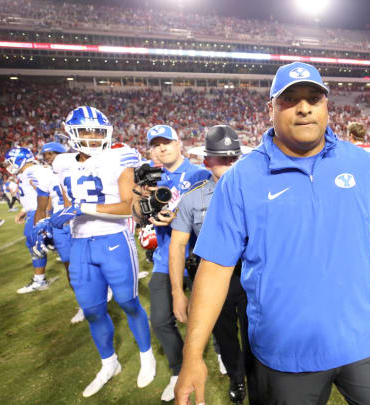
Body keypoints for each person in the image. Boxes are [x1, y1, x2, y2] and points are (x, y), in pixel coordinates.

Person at [174, 62, 370, 405]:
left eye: (313, 97)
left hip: (364, 342)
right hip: (285, 355)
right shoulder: (241, 179)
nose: (304, 107)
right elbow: (215, 268)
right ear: (271, 109)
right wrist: (193, 355)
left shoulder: (359, 163)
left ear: (326, 105)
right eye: (290, 99)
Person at [49, 106, 156, 398]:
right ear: (71, 133)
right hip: (79, 242)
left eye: (98, 131)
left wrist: (80, 208)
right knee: (93, 310)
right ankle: (109, 364)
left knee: (129, 302)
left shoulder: (119, 157)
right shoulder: (61, 163)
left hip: (113, 240)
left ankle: (147, 356)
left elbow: (128, 207)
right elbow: (66, 198)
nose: (93, 137)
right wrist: (59, 213)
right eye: (86, 131)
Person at [169, 125, 251, 404]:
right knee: (225, 335)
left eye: (233, 158)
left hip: (251, 274)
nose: (229, 164)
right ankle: (237, 379)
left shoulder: (255, 191)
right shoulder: (193, 198)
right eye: (222, 158)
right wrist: (178, 292)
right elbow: (178, 244)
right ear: (207, 161)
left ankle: (258, 376)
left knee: (256, 331)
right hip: (213, 278)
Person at [134, 124, 211, 402]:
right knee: (161, 319)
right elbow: (140, 217)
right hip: (165, 258)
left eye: (166, 142)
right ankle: (179, 370)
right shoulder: (152, 179)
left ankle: (221, 352)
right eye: (155, 144)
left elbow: (210, 212)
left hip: (200, 256)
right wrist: (142, 203)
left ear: (179, 144)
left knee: (215, 314)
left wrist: (178, 215)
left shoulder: (199, 174)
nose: (162, 148)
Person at [34, 141, 83, 323]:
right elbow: (41, 206)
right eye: (46, 155)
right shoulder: (45, 176)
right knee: (70, 267)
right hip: (60, 225)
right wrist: (39, 231)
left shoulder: (78, 167)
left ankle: (106, 291)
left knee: (94, 260)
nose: (49, 157)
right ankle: (83, 304)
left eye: (53, 153)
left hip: (81, 218)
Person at [2, 148, 53, 294]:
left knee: (48, 246)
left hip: (39, 212)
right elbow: (31, 196)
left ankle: (96, 281)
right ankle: (39, 280)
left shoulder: (33, 171)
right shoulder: (26, 173)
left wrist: (46, 216)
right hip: (34, 210)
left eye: (11, 161)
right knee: (35, 245)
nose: (9, 165)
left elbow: (47, 192)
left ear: (20, 159)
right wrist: (23, 210)